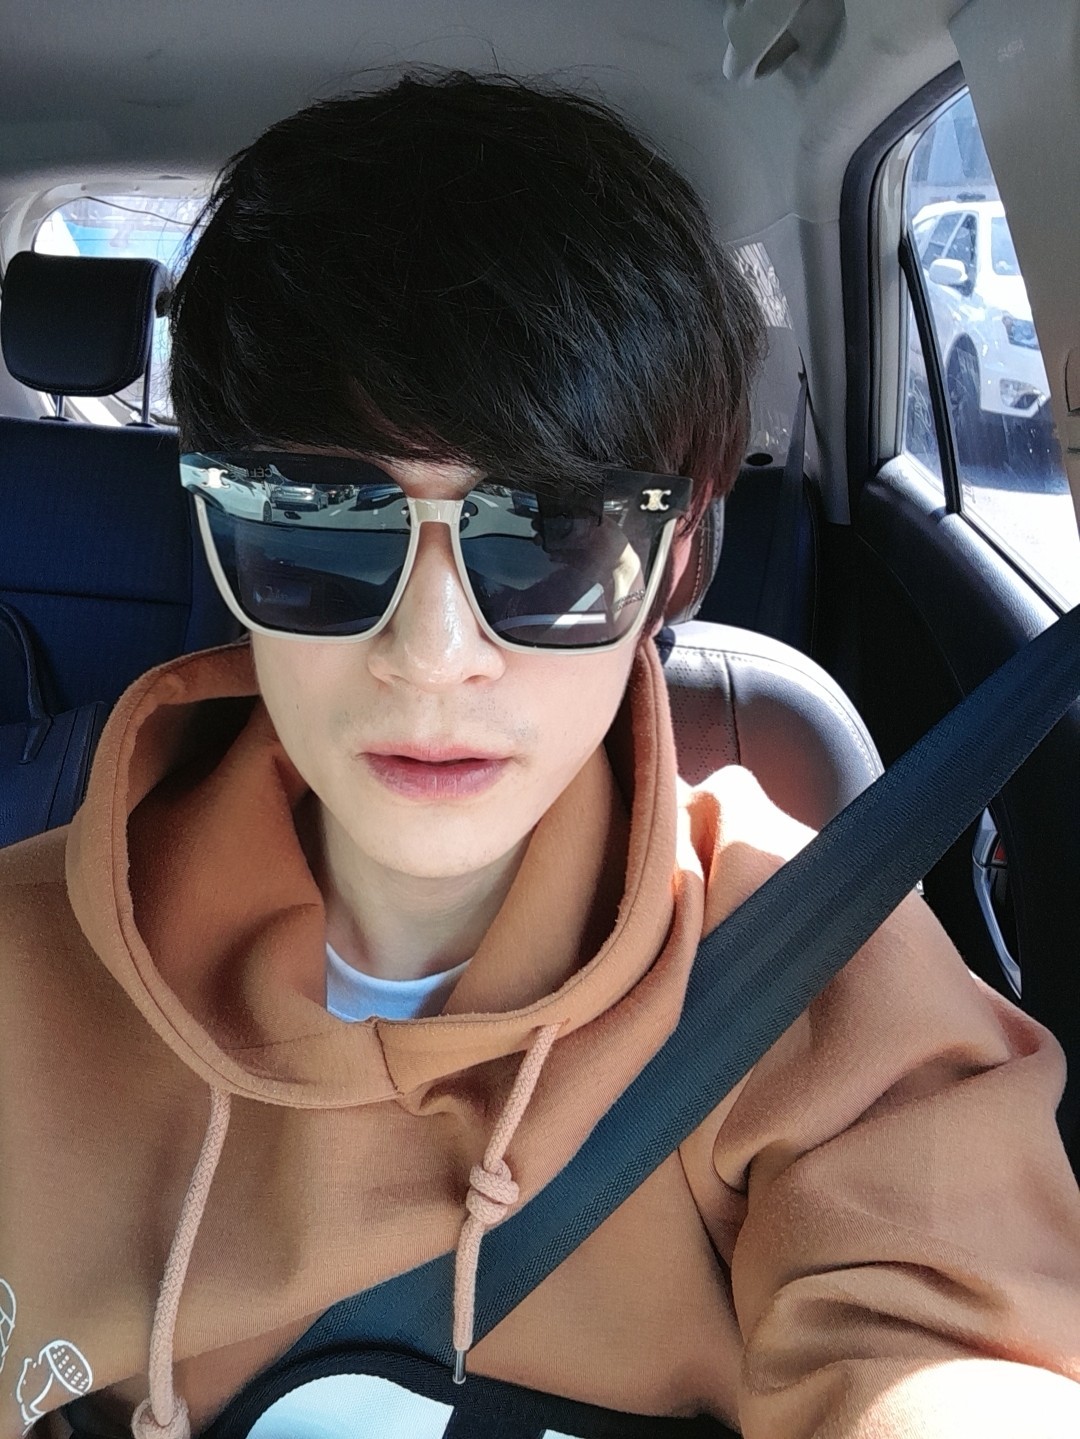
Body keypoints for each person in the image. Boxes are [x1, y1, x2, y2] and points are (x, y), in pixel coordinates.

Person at [2, 70, 1080, 1439]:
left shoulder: (823, 976)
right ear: (221, 535)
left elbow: (953, 1355)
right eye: (322, 524)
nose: (432, 654)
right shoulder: (24, 976)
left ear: (675, 559)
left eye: (554, 536)